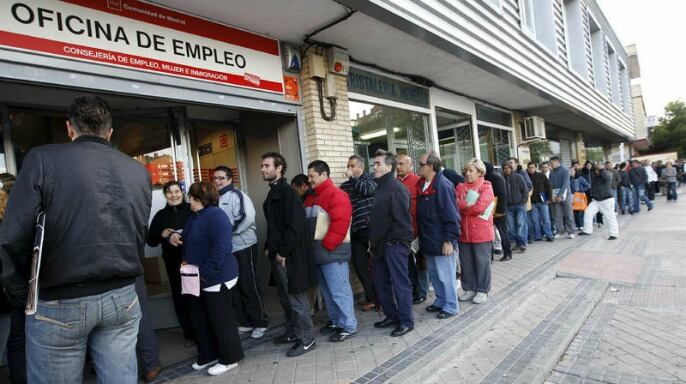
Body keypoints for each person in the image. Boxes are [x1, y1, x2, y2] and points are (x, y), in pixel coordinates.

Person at [0, 96, 150, 383]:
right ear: (109, 132)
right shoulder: (138, 171)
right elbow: (137, 233)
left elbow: (12, 236)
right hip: (122, 296)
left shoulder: (42, 159)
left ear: (70, 128)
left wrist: (22, 295)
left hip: (59, 299)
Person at [169, 182, 243, 376]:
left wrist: (205, 274)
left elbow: (221, 249)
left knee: (221, 320)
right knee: (200, 319)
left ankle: (230, 358)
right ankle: (208, 355)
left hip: (216, 278)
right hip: (197, 278)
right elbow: (192, 234)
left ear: (201, 199)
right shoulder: (195, 216)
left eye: (191, 198)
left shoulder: (217, 216)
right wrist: (177, 235)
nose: (189, 201)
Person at [261, 152, 316, 356]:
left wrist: (282, 251)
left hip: (289, 257)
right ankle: (293, 332)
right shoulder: (274, 191)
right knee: (285, 299)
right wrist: (270, 245)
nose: (263, 169)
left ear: (279, 168)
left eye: (267, 165)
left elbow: (295, 226)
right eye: (262, 166)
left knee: (296, 299)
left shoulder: (287, 193)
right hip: (278, 255)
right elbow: (276, 226)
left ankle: (307, 339)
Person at [211, 166, 269, 340]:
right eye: (215, 178)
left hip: (244, 247)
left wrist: (224, 231)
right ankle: (244, 322)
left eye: (221, 178)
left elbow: (246, 217)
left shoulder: (238, 195)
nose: (217, 181)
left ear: (230, 179)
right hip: (227, 250)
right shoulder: (215, 199)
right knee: (234, 287)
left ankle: (260, 322)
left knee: (248, 285)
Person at [303, 161, 357, 341]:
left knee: (339, 291)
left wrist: (327, 246)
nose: (309, 180)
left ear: (324, 175)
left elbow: (341, 223)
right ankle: (336, 321)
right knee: (328, 292)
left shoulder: (336, 194)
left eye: (312, 176)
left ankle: (349, 325)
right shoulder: (312, 196)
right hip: (320, 254)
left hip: (332, 254)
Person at [369, 150, 415, 337]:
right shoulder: (379, 187)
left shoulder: (397, 189)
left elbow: (402, 222)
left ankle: (406, 321)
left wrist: (391, 243)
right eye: (374, 164)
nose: (374, 167)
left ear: (390, 166)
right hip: (379, 245)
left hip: (394, 245)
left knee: (400, 284)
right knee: (380, 283)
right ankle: (392, 316)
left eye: (378, 164)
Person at [147, 181, 195, 345]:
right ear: (165, 195)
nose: (174, 195)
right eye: (169, 192)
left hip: (192, 261)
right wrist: (163, 233)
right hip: (173, 263)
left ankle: (203, 332)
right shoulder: (160, 215)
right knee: (180, 298)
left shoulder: (191, 209)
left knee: (195, 296)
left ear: (182, 192)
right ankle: (189, 334)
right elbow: (151, 241)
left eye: (177, 191)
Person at [415, 152, 460, 319]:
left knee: (445, 275)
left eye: (421, 164)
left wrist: (449, 240)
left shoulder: (443, 185)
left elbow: (451, 216)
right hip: (429, 239)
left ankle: (451, 305)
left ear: (431, 166)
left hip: (442, 240)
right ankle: (441, 301)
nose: (418, 167)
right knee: (434, 274)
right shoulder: (423, 185)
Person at [340, 155, 377, 311]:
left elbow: (367, 190)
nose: (349, 169)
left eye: (352, 166)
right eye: (348, 166)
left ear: (360, 167)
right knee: (360, 266)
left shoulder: (370, 180)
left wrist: (354, 180)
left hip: (370, 230)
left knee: (375, 266)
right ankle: (371, 298)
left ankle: (382, 296)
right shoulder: (345, 186)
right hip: (355, 232)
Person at [456, 158, 495, 304]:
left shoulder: (486, 186)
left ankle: (482, 290)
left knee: (482, 262)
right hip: (464, 231)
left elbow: (480, 207)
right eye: (466, 171)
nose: (467, 173)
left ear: (480, 172)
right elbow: (456, 204)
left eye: (471, 170)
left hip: (481, 232)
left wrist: (464, 207)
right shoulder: (460, 187)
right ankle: (469, 288)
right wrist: (468, 206)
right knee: (466, 262)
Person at [0, 174, 25, 384]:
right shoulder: (14, 222)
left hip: (12, 292)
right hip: (16, 293)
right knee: (18, 341)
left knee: (16, 342)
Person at [396, 154, 427, 305]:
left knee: (421, 262)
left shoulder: (417, 182)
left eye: (402, 164)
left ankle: (422, 291)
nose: (398, 166)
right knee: (408, 264)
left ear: (410, 166)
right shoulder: (394, 183)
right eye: (397, 164)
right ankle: (414, 290)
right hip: (403, 232)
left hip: (418, 229)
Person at [579, 163, 619, 240]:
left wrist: (602, 169)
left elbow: (608, 177)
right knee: (588, 212)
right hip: (596, 200)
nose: (596, 170)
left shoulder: (607, 173)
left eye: (598, 169)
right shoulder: (594, 176)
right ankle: (587, 230)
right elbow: (585, 172)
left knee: (610, 217)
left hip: (606, 200)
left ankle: (614, 234)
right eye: (596, 169)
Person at [484, 162, 511, 261]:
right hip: (489, 210)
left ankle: (507, 253)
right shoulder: (486, 178)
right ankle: (490, 256)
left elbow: (502, 196)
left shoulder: (496, 178)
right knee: (489, 233)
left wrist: (500, 211)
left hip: (498, 211)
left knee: (503, 232)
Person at [502, 163, 528, 252]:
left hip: (519, 205)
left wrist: (523, 201)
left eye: (508, 168)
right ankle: (518, 243)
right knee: (511, 227)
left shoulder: (518, 177)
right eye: (505, 168)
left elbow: (525, 190)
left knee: (520, 224)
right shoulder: (502, 179)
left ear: (511, 169)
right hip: (508, 207)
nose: (507, 170)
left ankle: (522, 244)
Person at [549, 157, 576, 239]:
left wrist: (559, 195)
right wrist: (552, 196)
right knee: (557, 214)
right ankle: (559, 231)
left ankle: (571, 231)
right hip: (555, 196)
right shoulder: (551, 172)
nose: (550, 165)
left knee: (568, 213)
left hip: (565, 195)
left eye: (551, 163)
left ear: (557, 162)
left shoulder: (565, 170)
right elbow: (550, 185)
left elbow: (565, 184)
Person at [527, 162, 554, 242]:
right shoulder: (526, 177)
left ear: (535, 168)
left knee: (546, 219)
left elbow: (548, 186)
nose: (531, 169)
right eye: (529, 168)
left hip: (543, 201)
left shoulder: (541, 175)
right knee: (535, 220)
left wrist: (549, 198)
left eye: (532, 167)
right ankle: (538, 236)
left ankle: (549, 235)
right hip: (532, 202)